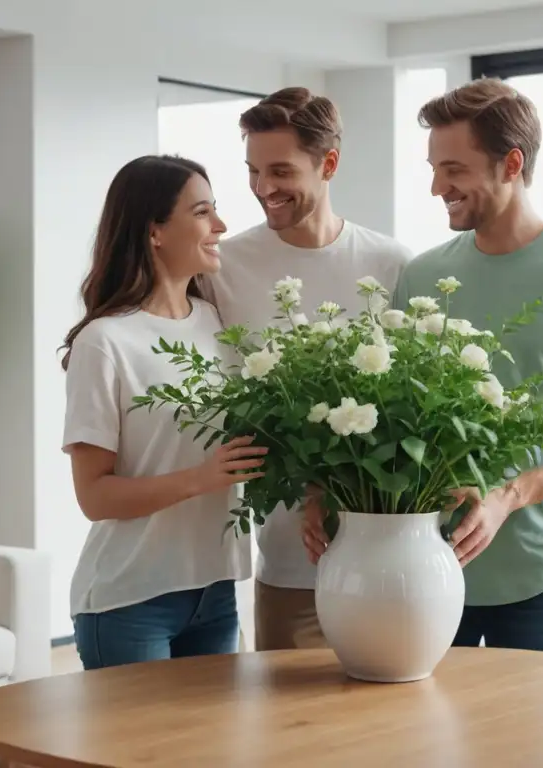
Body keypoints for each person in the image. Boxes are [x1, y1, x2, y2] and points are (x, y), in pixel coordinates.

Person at [308, 78, 543, 654]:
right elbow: (386, 415)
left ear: (510, 164)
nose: (438, 186)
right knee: (425, 741)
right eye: (434, 168)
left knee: (540, 744)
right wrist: (324, 491)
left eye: (454, 169)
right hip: (423, 569)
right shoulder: (421, 278)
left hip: (541, 574)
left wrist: (508, 496)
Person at [208, 87, 412, 651]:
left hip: (383, 559)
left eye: (280, 170)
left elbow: (405, 415)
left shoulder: (391, 265)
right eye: (252, 170)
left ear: (329, 163)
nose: (262, 188)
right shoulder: (222, 268)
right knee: (283, 730)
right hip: (286, 565)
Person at [59, 155, 267, 669]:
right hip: (130, 601)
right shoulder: (104, 342)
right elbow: (94, 495)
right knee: (137, 754)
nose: (219, 226)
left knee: (211, 752)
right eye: (202, 212)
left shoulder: (217, 323)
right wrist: (202, 477)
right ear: (155, 231)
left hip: (215, 593)